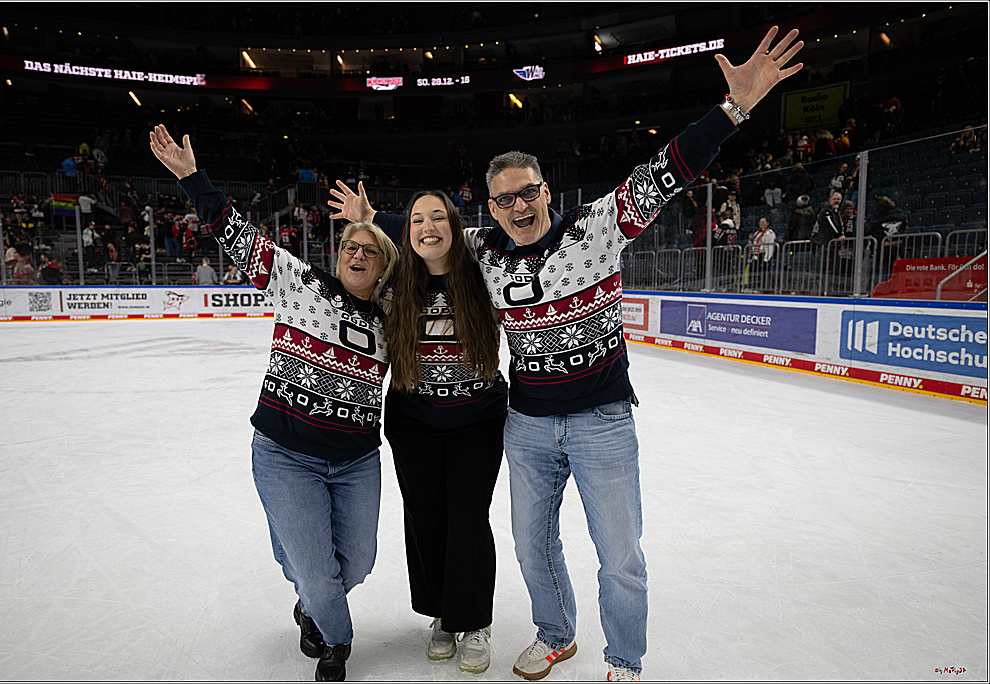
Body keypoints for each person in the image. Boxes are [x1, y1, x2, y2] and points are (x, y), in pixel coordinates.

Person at [330, 26, 804, 681]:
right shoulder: (484, 248)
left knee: (619, 554)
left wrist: (734, 108)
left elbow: (669, 169)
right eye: (505, 199)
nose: (519, 205)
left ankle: (625, 661)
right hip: (525, 422)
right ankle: (554, 636)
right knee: (532, 544)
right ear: (492, 207)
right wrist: (371, 221)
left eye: (528, 192)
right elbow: (425, 238)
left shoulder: (598, 228)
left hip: (601, 419)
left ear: (547, 191)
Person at [150, 124, 399, 682]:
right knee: (316, 571)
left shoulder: (394, 320)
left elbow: (442, 266)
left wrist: (376, 221)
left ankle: (310, 594)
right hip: (286, 454)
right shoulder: (297, 284)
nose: (357, 254)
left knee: (356, 564)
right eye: (350, 247)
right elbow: (236, 236)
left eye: (369, 251)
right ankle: (336, 639)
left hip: (357, 459)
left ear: (383, 265)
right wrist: (195, 181)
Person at [376, 189, 508, 674]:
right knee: (427, 518)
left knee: (468, 518)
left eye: (438, 218)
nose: (427, 228)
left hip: (477, 420)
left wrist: (374, 213)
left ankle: (473, 620)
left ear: (454, 226)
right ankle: (443, 617)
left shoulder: (484, 278)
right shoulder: (394, 287)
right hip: (415, 425)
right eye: (416, 221)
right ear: (406, 232)